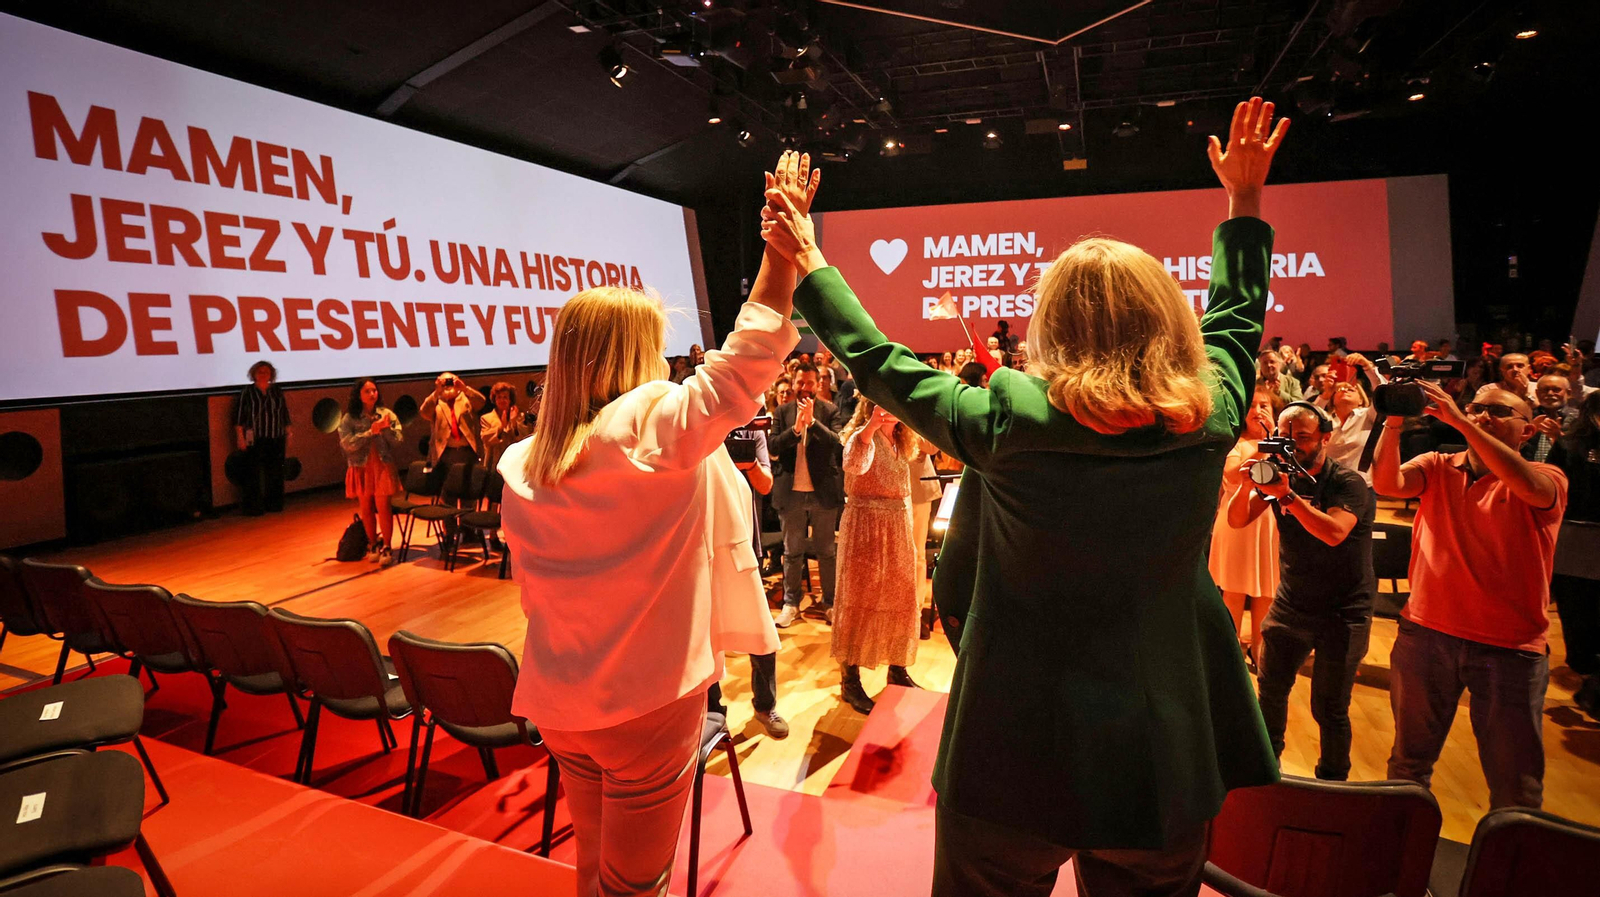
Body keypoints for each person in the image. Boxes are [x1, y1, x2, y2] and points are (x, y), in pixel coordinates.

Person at [760, 97, 1287, 895]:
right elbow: (1240, 314)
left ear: (1052, 327)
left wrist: (807, 257)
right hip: (1162, 756)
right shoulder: (1208, 412)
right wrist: (1243, 200)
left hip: (1009, 755)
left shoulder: (1006, 418)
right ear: (1171, 325)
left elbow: (875, 358)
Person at [496, 154, 806, 897]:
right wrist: (782, 253)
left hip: (559, 699)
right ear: (632, 354)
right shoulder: (647, 426)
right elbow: (748, 360)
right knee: (638, 884)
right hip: (643, 705)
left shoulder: (520, 461)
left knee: (592, 864)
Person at [1372, 381, 1567, 810]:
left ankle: (1505, 874)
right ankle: (1395, 869)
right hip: (1425, 634)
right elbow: (1388, 484)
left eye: (1497, 412)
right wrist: (1392, 424)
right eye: (1476, 408)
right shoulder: (1441, 464)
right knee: (1407, 767)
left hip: (1509, 649)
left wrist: (1461, 421)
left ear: (1527, 431)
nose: (1482, 415)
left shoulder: (1549, 477)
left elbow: (1529, 486)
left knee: (1515, 785)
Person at [1229, 402, 1376, 781]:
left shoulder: (1348, 483)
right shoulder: (1281, 478)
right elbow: (1237, 518)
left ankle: (1332, 782)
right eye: (1286, 437)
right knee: (1270, 691)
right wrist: (1246, 486)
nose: (1293, 446)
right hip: (1293, 601)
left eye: (1303, 438)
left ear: (1326, 438)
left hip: (1344, 611)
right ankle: (1264, 771)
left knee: (1329, 707)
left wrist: (1285, 496)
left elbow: (1333, 533)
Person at [833, 398, 924, 714]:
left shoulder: (901, 440)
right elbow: (853, 464)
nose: (892, 410)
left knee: (901, 599)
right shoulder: (862, 435)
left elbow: (905, 493)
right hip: (865, 527)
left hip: (897, 526)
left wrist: (908, 537)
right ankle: (850, 681)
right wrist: (870, 427)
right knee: (858, 601)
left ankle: (897, 671)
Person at [709, 417, 790, 740]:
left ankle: (765, 705)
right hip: (707, 544)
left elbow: (766, 484)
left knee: (760, 630)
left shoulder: (753, 431)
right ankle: (713, 713)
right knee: (707, 632)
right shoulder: (699, 426)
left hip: (747, 542)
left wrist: (749, 464)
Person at [770, 360, 847, 628]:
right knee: (792, 552)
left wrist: (812, 422)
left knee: (826, 552)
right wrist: (796, 430)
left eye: (809, 383)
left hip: (822, 493)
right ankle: (791, 604)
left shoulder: (830, 410)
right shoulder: (782, 412)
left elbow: (837, 442)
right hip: (790, 492)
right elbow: (774, 445)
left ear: (818, 385)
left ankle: (830, 603)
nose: (804, 388)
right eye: (800, 382)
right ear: (793, 383)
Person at [1209, 388, 1282, 666]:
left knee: (1266, 589)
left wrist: (1276, 443)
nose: (1258, 410)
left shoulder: (1283, 446)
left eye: (1264, 405)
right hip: (1238, 524)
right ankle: (1230, 651)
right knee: (1234, 590)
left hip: (1270, 524)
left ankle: (1260, 649)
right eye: (1252, 405)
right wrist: (1266, 449)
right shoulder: (1235, 443)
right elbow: (1231, 474)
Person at [1547, 390, 1600, 719]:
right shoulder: (1568, 446)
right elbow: (1554, 487)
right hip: (1577, 540)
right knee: (1577, 609)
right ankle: (1584, 669)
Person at [337, 379, 403, 566]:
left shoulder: (386, 414)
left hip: (382, 465)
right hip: (360, 467)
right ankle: (373, 543)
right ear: (359, 395)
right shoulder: (350, 418)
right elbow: (347, 444)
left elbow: (398, 439)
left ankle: (387, 547)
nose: (372, 394)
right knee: (366, 508)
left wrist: (385, 430)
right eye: (367, 391)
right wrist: (370, 432)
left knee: (384, 507)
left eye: (374, 390)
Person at [235, 360, 292, 516]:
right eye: (260, 372)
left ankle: (274, 504)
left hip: (276, 436)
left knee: (275, 473)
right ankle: (253, 508)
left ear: (271, 375)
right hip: (255, 438)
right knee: (252, 473)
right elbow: (240, 416)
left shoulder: (277, 391)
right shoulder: (247, 392)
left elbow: (284, 412)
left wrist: (288, 431)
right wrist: (240, 437)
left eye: (267, 372)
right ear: (254, 374)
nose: (263, 375)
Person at [1324, 381, 1378, 485]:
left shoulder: (1368, 416)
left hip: (1361, 485)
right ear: (1333, 399)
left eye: (1351, 389)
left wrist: (1367, 368)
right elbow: (1305, 416)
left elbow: (1381, 392)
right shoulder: (1327, 419)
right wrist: (1325, 395)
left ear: (1361, 400)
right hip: (1329, 484)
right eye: (1340, 390)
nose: (1345, 391)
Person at [480, 382, 532, 471]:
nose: (502, 400)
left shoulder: (519, 416)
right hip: (494, 464)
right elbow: (486, 440)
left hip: (515, 463)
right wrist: (501, 427)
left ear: (510, 400)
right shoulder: (486, 418)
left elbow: (524, 440)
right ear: (494, 399)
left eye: (505, 397)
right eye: (499, 397)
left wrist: (514, 423)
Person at [1524, 374, 1575, 463]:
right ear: (1537, 393)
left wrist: (1559, 438)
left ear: (1569, 393)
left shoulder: (1579, 418)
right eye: (1545, 390)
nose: (1550, 393)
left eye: (1556, 390)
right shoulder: (1527, 417)